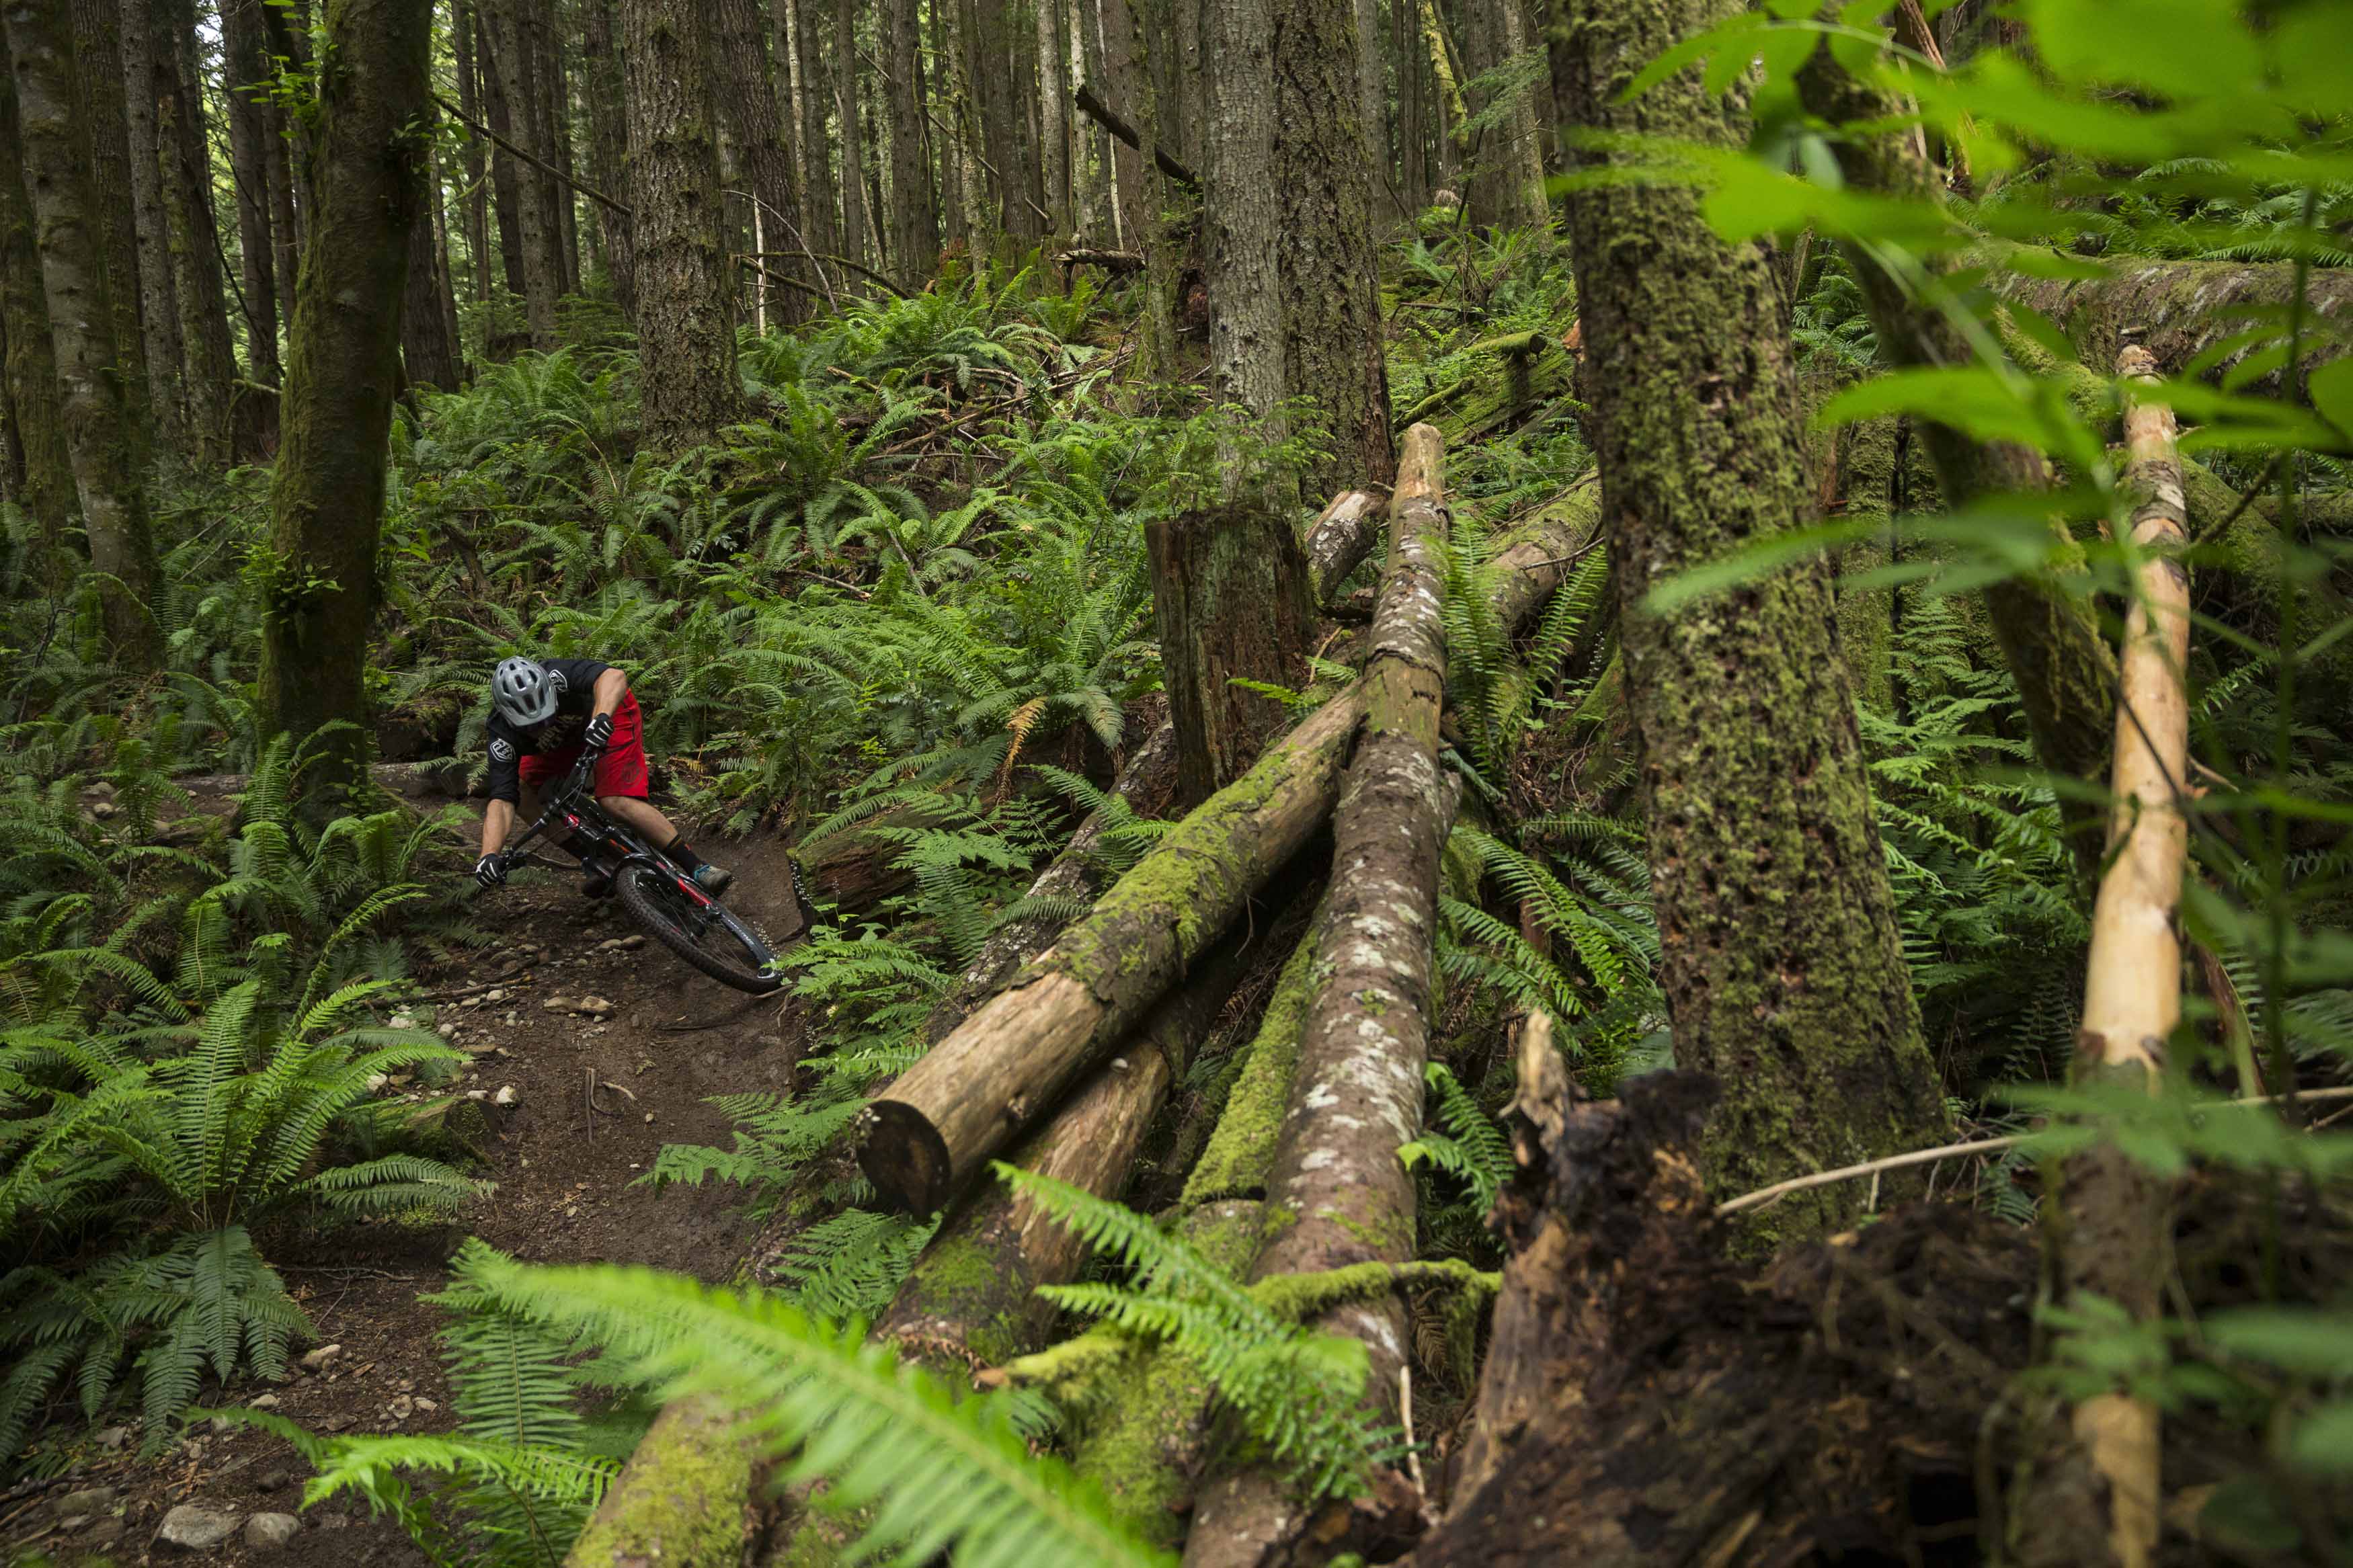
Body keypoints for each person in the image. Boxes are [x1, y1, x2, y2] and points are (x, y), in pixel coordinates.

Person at [473, 655, 734, 896]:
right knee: (522, 791)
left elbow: (613, 676)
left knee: (615, 800)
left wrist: (601, 718)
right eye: (532, 727)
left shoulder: (558, 675)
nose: (542, 727)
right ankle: (595, 860)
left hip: (605, 717)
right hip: (556, 746)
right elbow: (502, 800)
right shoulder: (502, 736)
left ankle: (699, 868)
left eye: (545, 717)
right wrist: (489, 855)